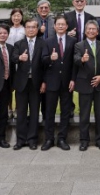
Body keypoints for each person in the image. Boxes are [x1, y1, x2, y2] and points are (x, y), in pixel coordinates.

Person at [41, 15, 76, 151]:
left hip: (67, 82)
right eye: (58, 24)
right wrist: (50, 58)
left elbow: (74, 63)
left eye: (63, 24)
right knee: (49, 111)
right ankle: (49, 139)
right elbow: (43, 61)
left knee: (65, 111)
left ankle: (62, 138)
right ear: (54, 26)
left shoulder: (73, 41)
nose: (61, 26)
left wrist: (73, 79)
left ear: (67, 27)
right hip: (51, 81)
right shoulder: (47, 41)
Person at [74, 20, 100, 151]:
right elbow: (75, 59)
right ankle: (84, 140)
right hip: (85, 84)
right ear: (85, 31)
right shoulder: (79, 45)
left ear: (98, 31)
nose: (91, 31)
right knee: (84, 115)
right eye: (89, 29)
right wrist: (82, 59)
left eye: (94, 29)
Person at [12, 19, 46, 150]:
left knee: (34, 112)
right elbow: (13, 58)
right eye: (28, 27)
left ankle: (32, 139)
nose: (31, 29)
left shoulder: (43, 43)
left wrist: (44, 82)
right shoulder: (18, 44)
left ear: (37, 29)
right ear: (24, 29)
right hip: (22, 82)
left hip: (36, 82)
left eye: (33, 27)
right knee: (21, 112)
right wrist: (19, 58)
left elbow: (45, 64)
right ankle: (20, 140)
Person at [7, 7, 26, 120]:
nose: (16, 18)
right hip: (8, 60)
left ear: (22, 17)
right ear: (11, 17)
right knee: (9, 86)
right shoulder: (8, 29)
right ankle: (9, 108)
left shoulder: (25, 29)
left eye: (18, 15)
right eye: (14, 15)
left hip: (21, 60)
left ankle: (18, 109)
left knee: (19, 86)